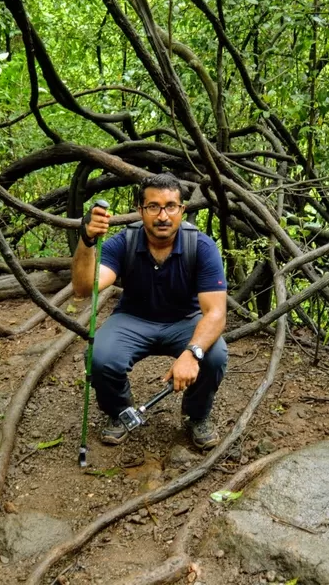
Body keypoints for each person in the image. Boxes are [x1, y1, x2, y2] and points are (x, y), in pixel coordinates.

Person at [71, 173, 228, 450]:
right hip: (133, 318)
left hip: (185, 321)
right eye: (153, 206)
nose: (163, 216)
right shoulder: (125, 242)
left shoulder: (201, 246)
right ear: (140, 210)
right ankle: (119, 411)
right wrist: (86, 239)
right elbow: (85, 288)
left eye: (170, 206)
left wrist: (192, 353)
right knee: (99, 355)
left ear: (182, 210)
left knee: (213, 355)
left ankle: (196, 415)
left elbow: (215, 313)